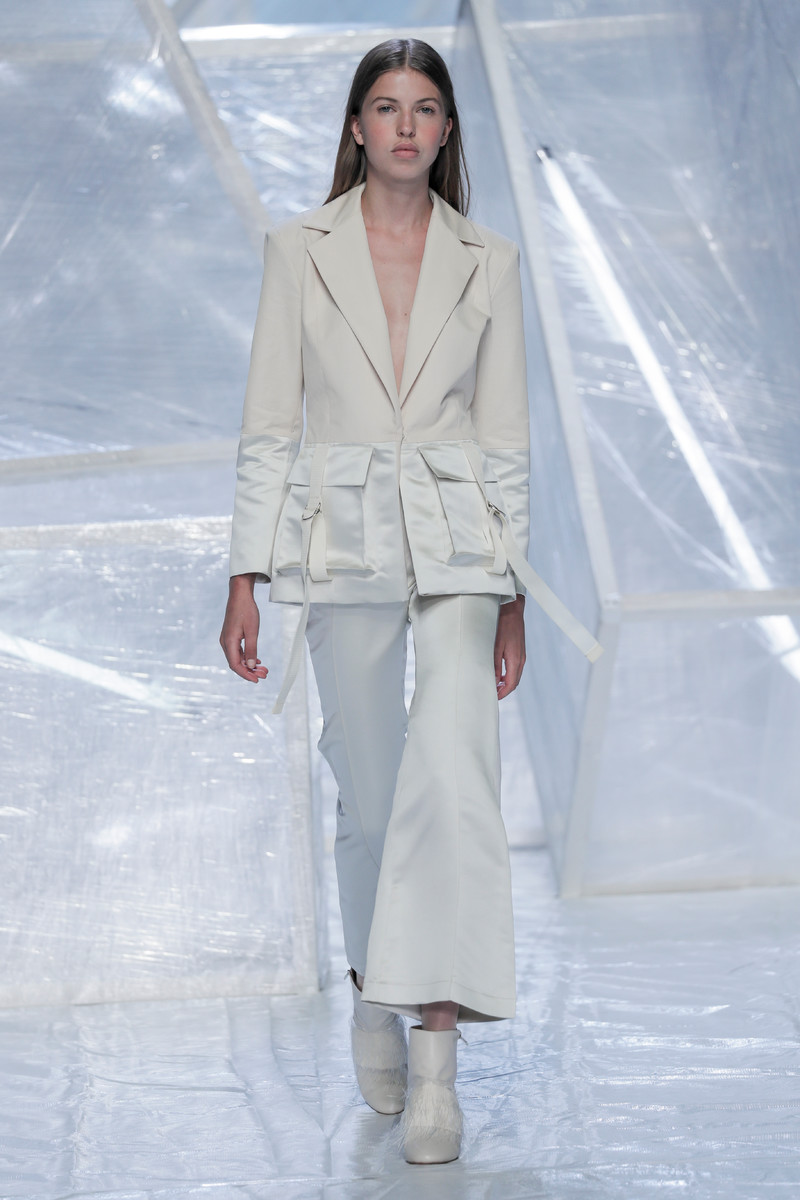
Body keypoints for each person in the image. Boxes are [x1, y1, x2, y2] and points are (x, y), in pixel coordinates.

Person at [220, 37, 601, 1165]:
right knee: (375, 795)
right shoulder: (299, 251)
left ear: (444, 132)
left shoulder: (489, 260)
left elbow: (504, 436)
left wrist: (513, 588)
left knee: (455, 787)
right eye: (384, 107)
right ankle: (370, 989)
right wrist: (245, 574)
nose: (403, 126)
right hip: (339, 537)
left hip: (460, 542)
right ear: (355, 126)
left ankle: (438, 1066)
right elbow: (269, 422)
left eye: (424, 108)